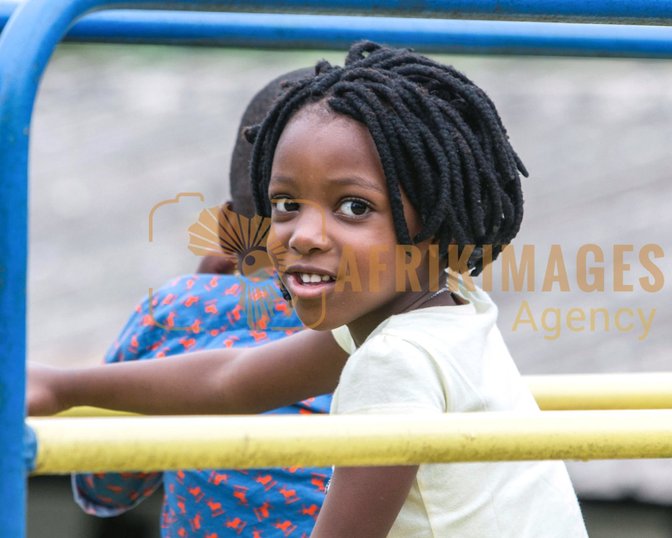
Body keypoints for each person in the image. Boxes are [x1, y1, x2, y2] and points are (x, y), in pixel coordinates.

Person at [29, 41, 588, 537]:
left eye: (354, 207)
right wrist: (61, 387)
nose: (304, 235)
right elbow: (232, 380)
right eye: (286, 205)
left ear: (438, 231)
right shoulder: (447, 315)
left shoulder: (395, 362)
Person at [71, 68, 333, 538]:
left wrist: (197, 294)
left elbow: (105, 485)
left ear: (229, 225)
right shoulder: (419, 314)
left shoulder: (180, 313)